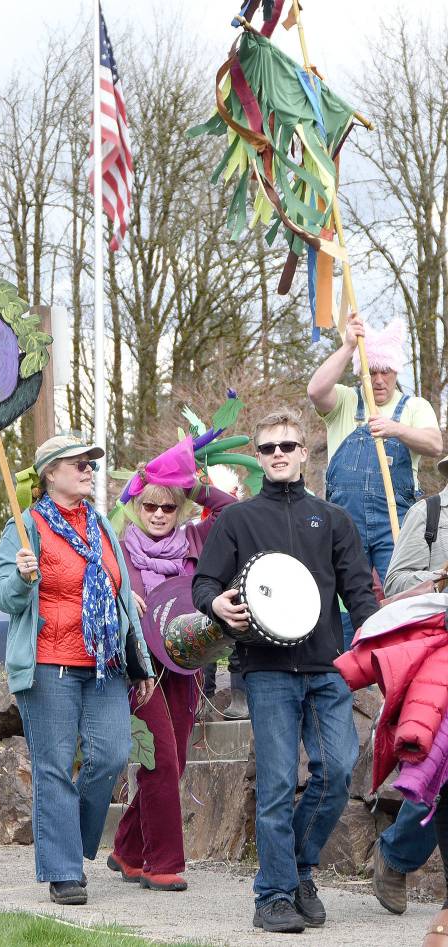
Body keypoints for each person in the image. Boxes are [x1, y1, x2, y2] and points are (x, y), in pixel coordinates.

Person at [192, 409, 378, 933]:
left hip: (327, 669)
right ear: (258, 456)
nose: (278, 454)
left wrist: (378, 643)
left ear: (303, 453)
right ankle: (272, 895)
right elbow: (204, 585)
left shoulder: (334, 520)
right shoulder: (236, 520)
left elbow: (359, 594)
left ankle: (298, 870)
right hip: (266, 670)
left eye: (287, 446)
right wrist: (217, 607)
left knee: (337, 771)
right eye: (268, 448)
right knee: (275, 784)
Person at [0, 434, 154, 906]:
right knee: (54, 768)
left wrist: (138, 660)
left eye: (90, 463)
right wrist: (22, 578)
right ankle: (64, 871)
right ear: (50, 473)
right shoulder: (25, 528)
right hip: (47, 665)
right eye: (78, 463)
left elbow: (122, 599)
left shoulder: (101, 526)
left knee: (111, 754)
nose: (88, 470)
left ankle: (67, 838)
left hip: (103, 664)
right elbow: (2, 596)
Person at [109, 472, 236, 891]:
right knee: (158, 758)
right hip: (139, 668)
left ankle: (126, 848)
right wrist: (124, 596)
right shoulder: (118, 546)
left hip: (185, 666)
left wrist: (191, 485)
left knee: (173, 761)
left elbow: (230, 510)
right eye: (150, 506)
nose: (160, 514)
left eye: (169, 506)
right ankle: (161, 863)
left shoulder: (195, 540)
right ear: (135, 507)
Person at [307, 314, 442, 647]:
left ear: (397, 372)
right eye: (372, 371)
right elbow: (315, 390)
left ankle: (402, 663)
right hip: (343, 523)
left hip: (395, 522)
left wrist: (395, 429)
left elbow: (435, 444)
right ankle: (344, 670)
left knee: (403, 594)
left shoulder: (415, 406)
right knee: (341, 595)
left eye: (386, 372)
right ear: (361, 371)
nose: (379, 380)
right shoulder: (347, 402)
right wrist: (349, 345)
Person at [366, 455, 448, 915]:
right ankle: (396, 854)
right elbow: (395, 581)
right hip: (436, 656)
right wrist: (442, 577)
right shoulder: (430, 513)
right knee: (439, 773)